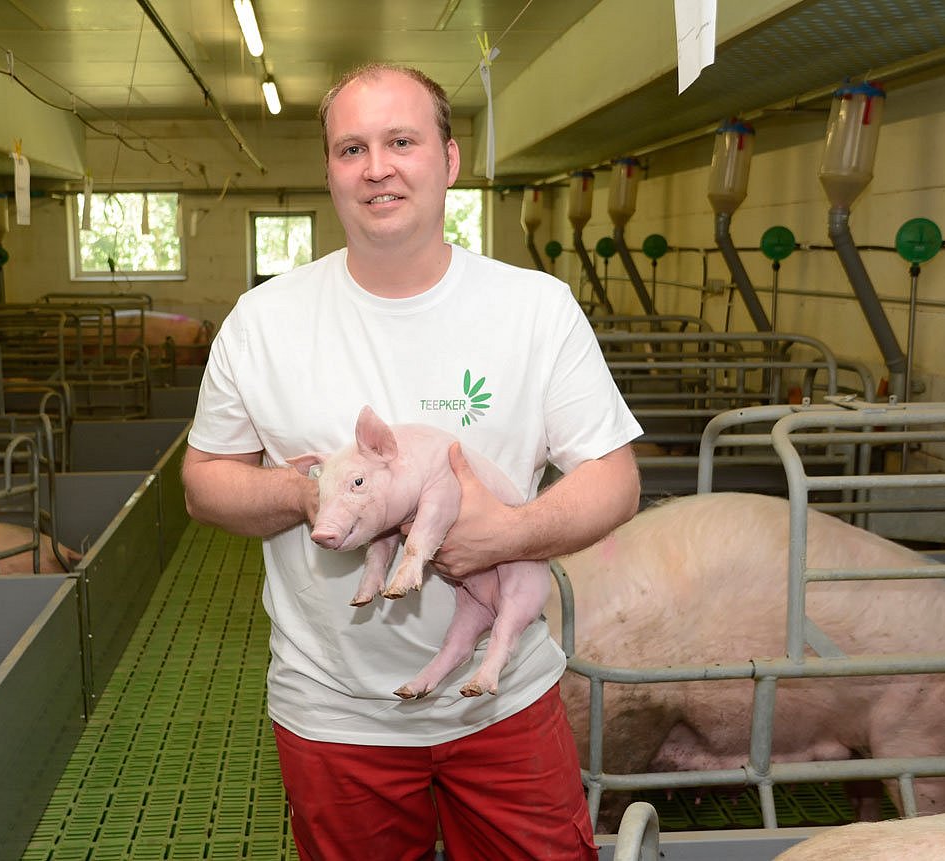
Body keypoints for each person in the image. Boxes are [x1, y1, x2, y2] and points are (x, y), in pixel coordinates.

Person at [181, 63, 642, 861]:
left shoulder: (533, 308)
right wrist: (313, 494)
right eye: (351, 147)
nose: (376, 166)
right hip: (331, 705)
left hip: (501, 702)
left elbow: (614, 478)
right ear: (328, 169)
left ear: (449, 159)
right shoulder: (263, 320)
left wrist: (505, 535)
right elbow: (203, 482)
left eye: (402, 141)